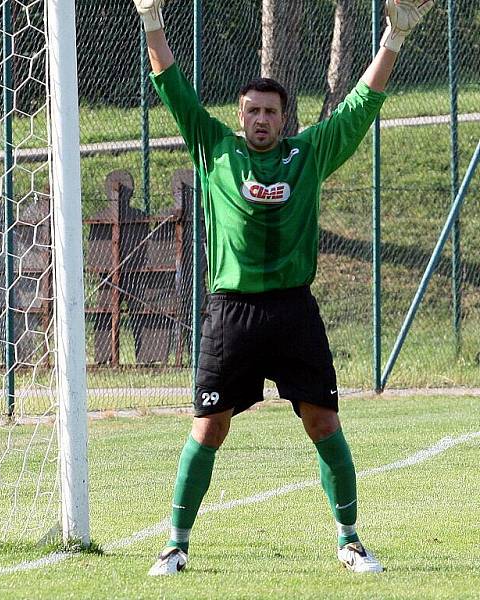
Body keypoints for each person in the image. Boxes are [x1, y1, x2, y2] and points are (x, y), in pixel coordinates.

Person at [131, 0, 434, 577]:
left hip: (294, 311)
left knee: (323, 423)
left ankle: (349, 540)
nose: (261, 119)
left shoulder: (309, 153)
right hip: (231, 312)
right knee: (209, 426)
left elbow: (360, 107)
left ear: (284, 116)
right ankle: (175, 544)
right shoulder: (214, 148)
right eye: (251, 111)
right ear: (239, 115)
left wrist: (394, 36)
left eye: (270, 111)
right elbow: (171, 84)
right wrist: (151, 21)